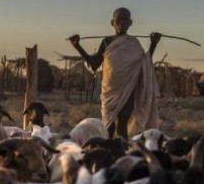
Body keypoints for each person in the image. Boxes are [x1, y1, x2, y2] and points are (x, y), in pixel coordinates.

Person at [69, 8, 162, 140]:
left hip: (128, 89)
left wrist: (153, 44)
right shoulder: (107, 41)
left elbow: (144, 64)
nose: (122, 23)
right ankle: (109, 152)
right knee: (108, 126)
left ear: (131, 23)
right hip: (109, 91)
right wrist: (77, 46)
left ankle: (122, 152)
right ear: (112, 22)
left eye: (125, 20)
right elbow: (94, 64)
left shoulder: (134, 43)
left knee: (122, 124)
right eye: (119, 20)